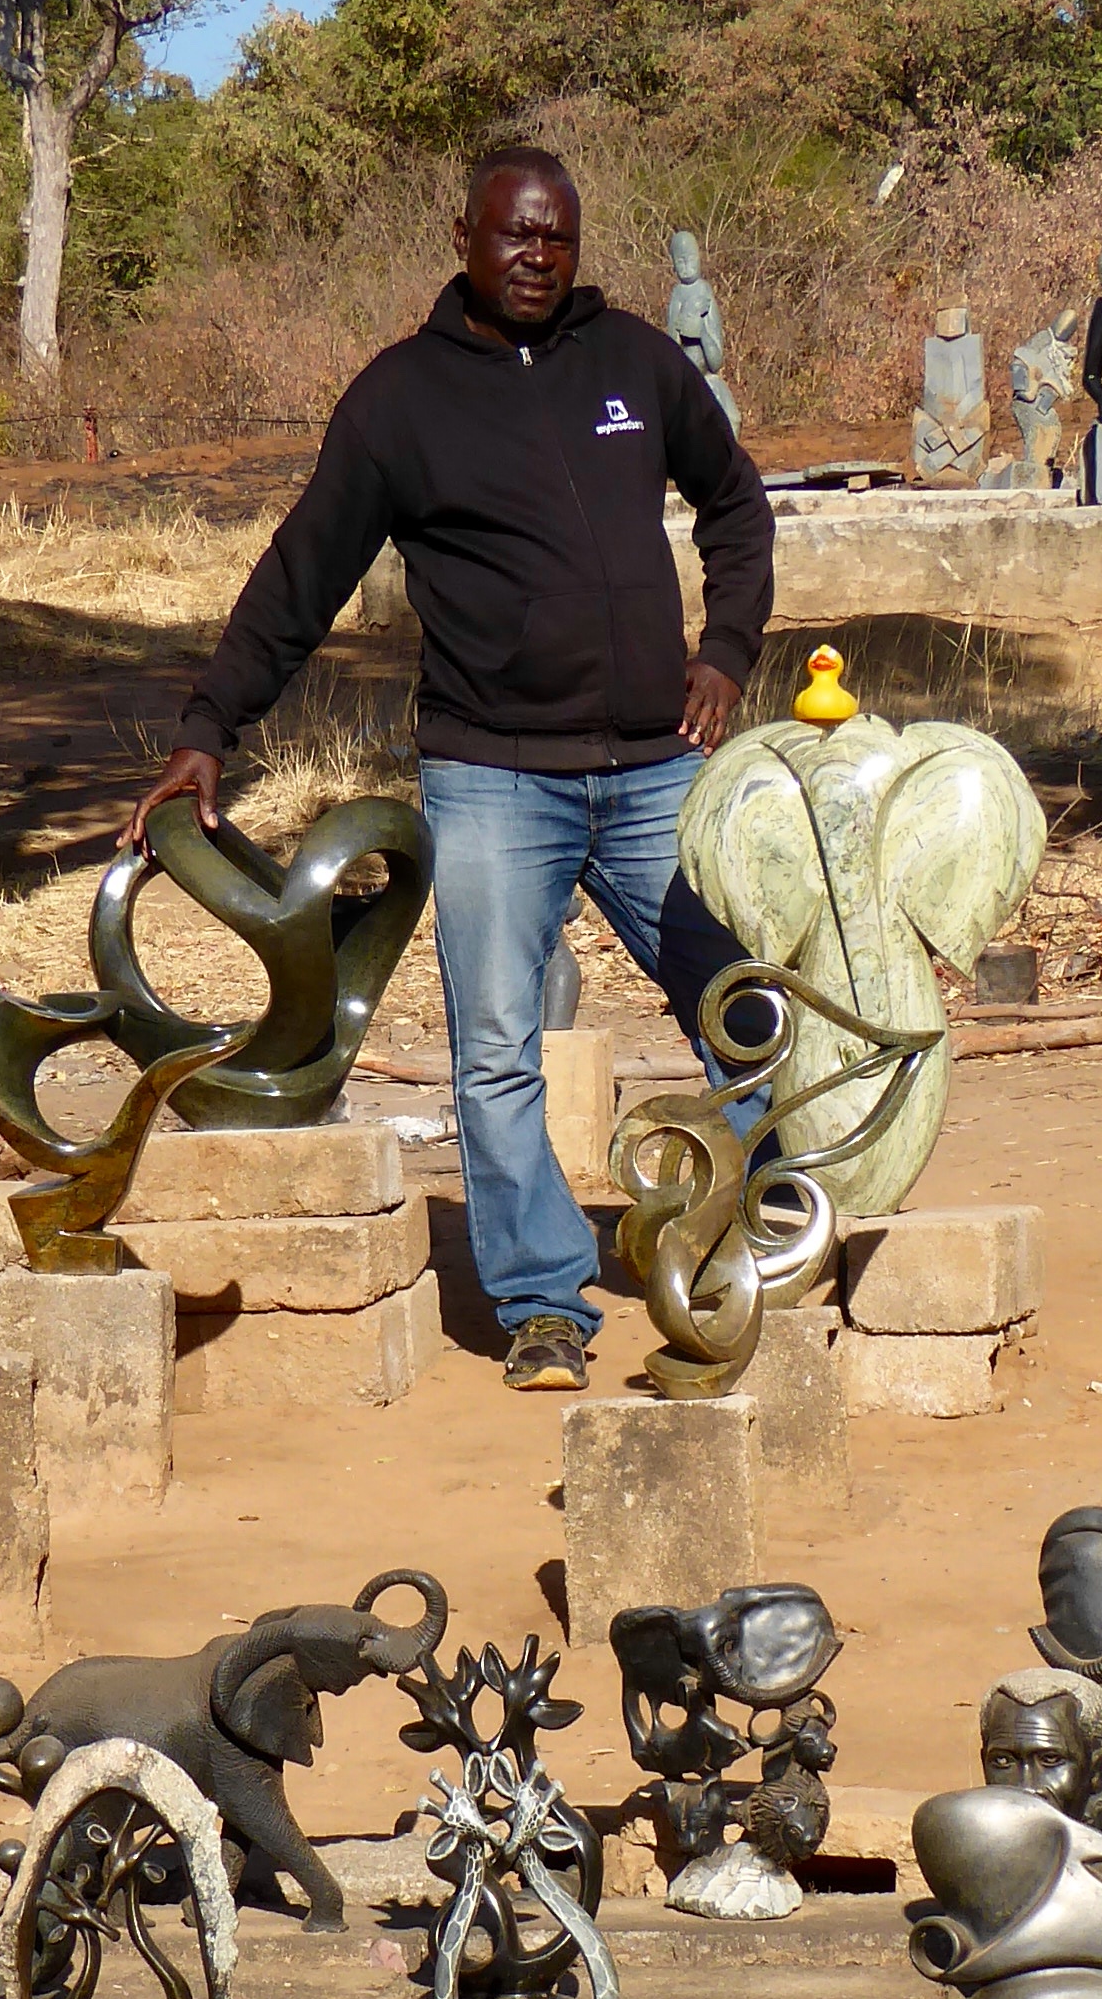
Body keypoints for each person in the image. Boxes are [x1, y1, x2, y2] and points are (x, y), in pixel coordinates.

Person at [120, 144, 774, 1392]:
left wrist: (726, 653)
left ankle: (757, 1237)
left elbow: (736, 508)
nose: (537, 255)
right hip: (495, 779)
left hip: (657, 771)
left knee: (745, 1006)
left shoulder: (637, 362)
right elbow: (299, 577)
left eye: (557, 236)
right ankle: (541, 1304)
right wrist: (208, 728)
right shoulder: (399, 402)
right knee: (496, 1048)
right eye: (515, 232)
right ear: (462, 235)